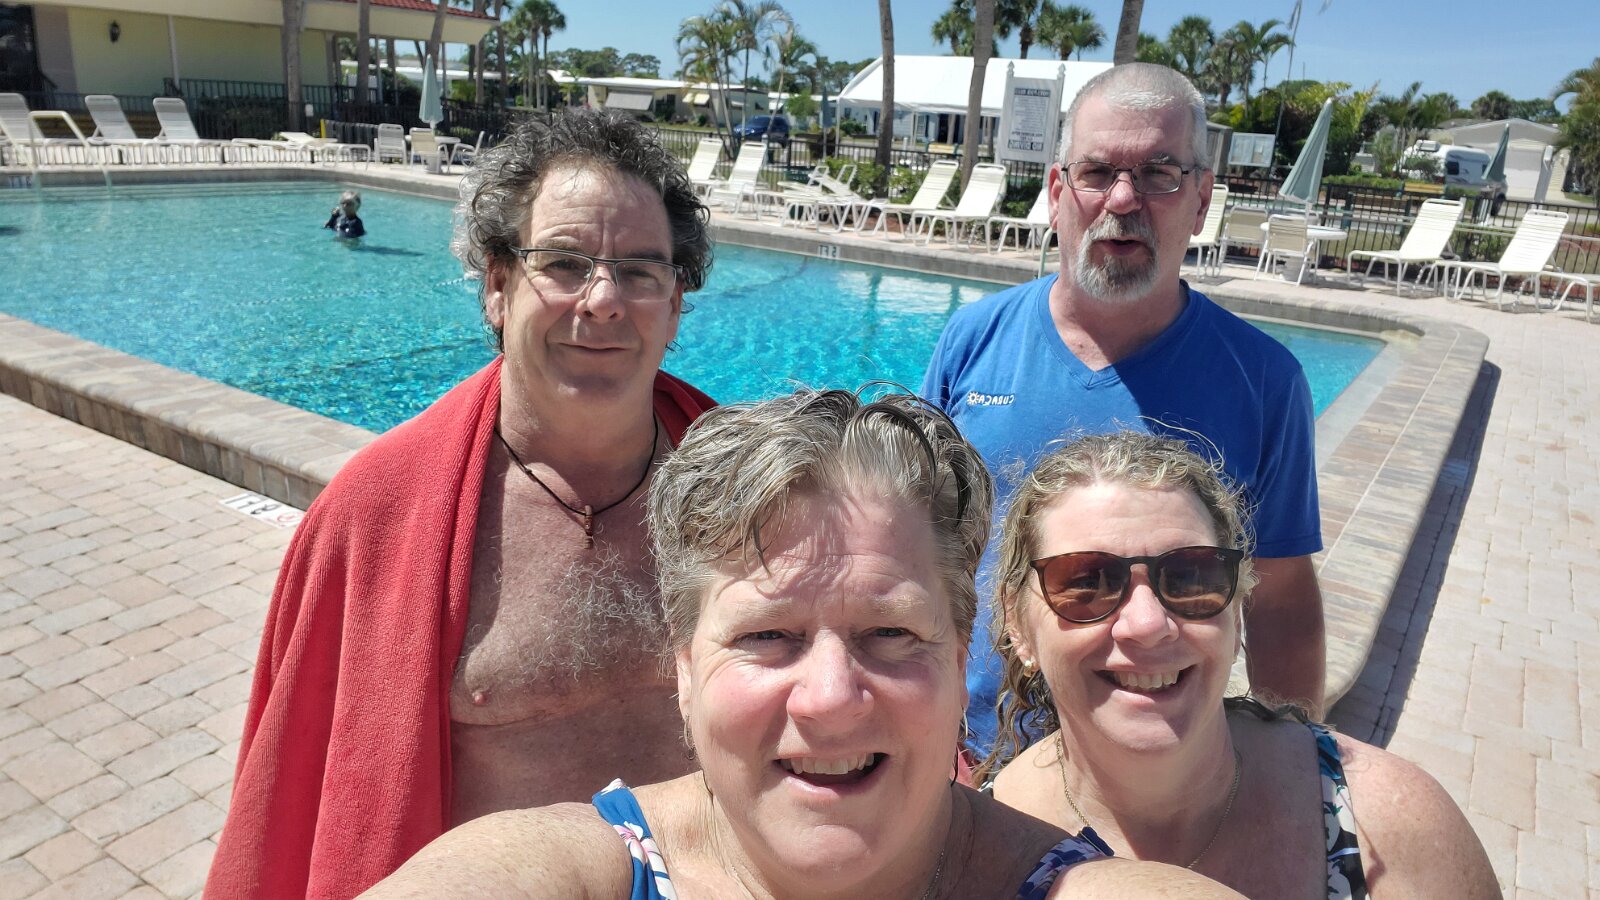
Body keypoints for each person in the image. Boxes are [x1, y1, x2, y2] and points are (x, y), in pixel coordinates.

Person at [365, 390, 1244, 899]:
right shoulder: (571, 876)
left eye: (890, 633)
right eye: (767, 635)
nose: (830, 698)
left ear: (958, 654)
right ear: (684, 669)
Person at [207, 110, 718, 898]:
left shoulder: (744, 487)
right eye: (565, 263)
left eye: (641, 271)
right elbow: (290, 794)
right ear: (498, 286)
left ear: (676, 302)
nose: (604, 299)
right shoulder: (375, 515)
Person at [922, 63, 1325, 754]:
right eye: (1097, 171)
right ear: (1058, 193)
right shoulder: (973, 341)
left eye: (1160, 173)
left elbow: (1281, 600)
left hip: (1159, 766)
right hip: (968, 748)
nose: (1122, 198)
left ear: (1201, 200)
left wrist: (1295, 760)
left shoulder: (1263, 381)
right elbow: (921, 537)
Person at [982, 431, 1498, 898]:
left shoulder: (1391, 826)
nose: (1148, 624)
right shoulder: (977, 851)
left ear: (1236, 610)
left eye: (1191, 577)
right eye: (1086, 582)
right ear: (1017, 624)